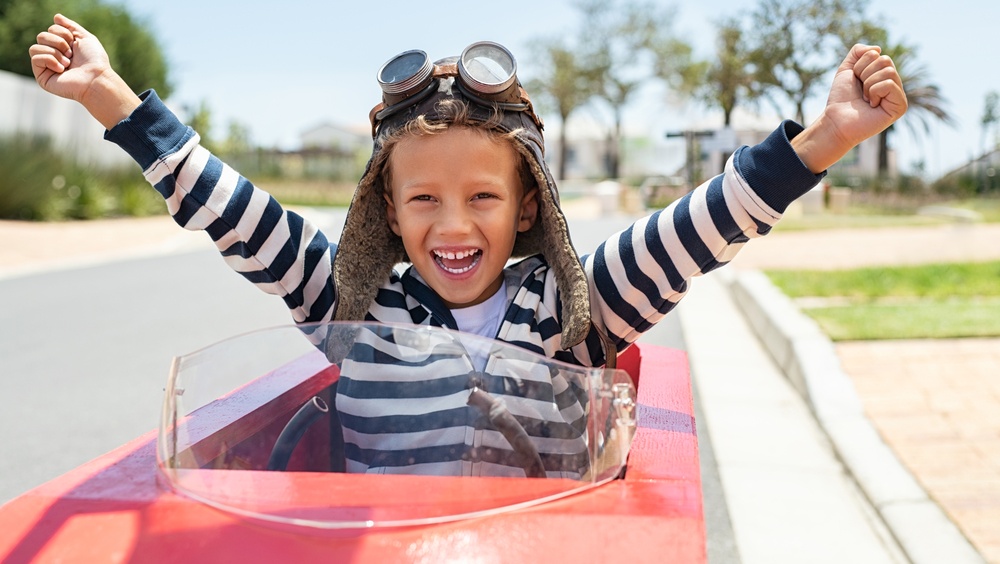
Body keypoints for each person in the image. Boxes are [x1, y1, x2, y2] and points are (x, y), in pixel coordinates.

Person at [30, 14, 906, 477]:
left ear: (529, 207)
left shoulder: (573, 306)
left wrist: (822, 141)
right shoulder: (357, 304)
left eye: (483, 195)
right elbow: (232, 210)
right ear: (388, 213)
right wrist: (113, 100)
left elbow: (699, 227)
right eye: (424, 199)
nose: (453, 225)